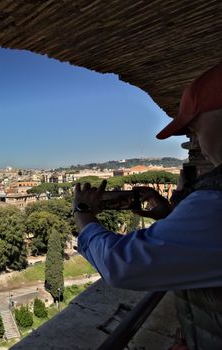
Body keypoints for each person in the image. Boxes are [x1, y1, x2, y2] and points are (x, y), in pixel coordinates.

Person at [73, 62, 222, 349]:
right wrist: (169, 216)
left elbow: (123, 266)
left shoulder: (215, 201)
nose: (198, 144)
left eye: (195, 130)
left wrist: (83, 215)